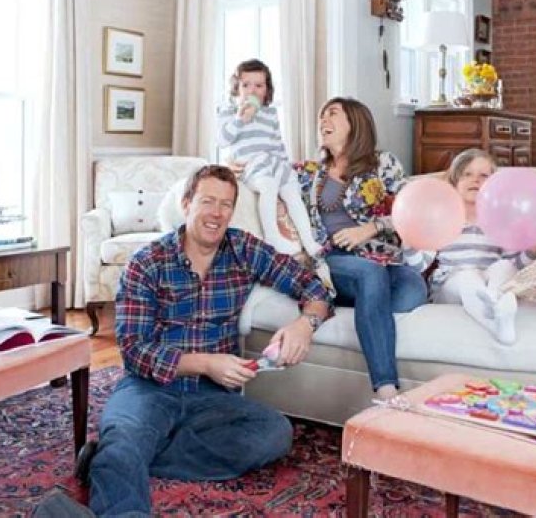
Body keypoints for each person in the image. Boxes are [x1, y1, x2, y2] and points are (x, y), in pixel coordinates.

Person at [42, 165, 332, 516]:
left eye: (226, 204)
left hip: (213, 396)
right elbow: (133, 350)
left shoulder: (244, 249)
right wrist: (206, 363)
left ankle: (113, 458)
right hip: (149, 387)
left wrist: (305, 324)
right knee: (126, 437)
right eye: (207, 201)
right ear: (186, 204)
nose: (217, 213)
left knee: (273, 433)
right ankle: (123, 474)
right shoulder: (147, 262)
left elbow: (314, 287)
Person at [296, 97, 428, 401]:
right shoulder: (309, 173)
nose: (323, 121)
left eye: (332, 114)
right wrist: (242, 166)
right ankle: (386, 388)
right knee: (369, 275)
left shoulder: (383, 164)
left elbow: (413, 209)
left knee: (413, 290)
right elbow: (268, 174)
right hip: (332, 261)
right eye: (321, 115)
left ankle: (358, 301)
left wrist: (371, 228)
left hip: (382, 261)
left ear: (355, 124)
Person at [217, 59, 322, 258]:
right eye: (246, 85)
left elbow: (277, 143)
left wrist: (286, 167)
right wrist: (239, 119)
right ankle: (272, 236)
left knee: (292, 192)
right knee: (269, 185)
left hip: (274, 162)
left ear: (267, 90)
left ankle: (309, 241)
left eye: (259, 85)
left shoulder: (270, 113)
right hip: (252, 167)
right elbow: (222, 140)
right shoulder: (229, 112)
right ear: (237, 88)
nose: (252, 90)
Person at [429, 149, 535, 345]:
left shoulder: (500, 221)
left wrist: (531, 250)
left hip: (488, 281)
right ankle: (497, 326)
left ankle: (499, 305)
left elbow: (514, 265)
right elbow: (419, 261)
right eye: (467, 174)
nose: (475, 180)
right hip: (452, 283)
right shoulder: (443, 218)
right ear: (454, 182)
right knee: (468, 277)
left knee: (504, 266)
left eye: (484, 176)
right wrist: (409, 242)